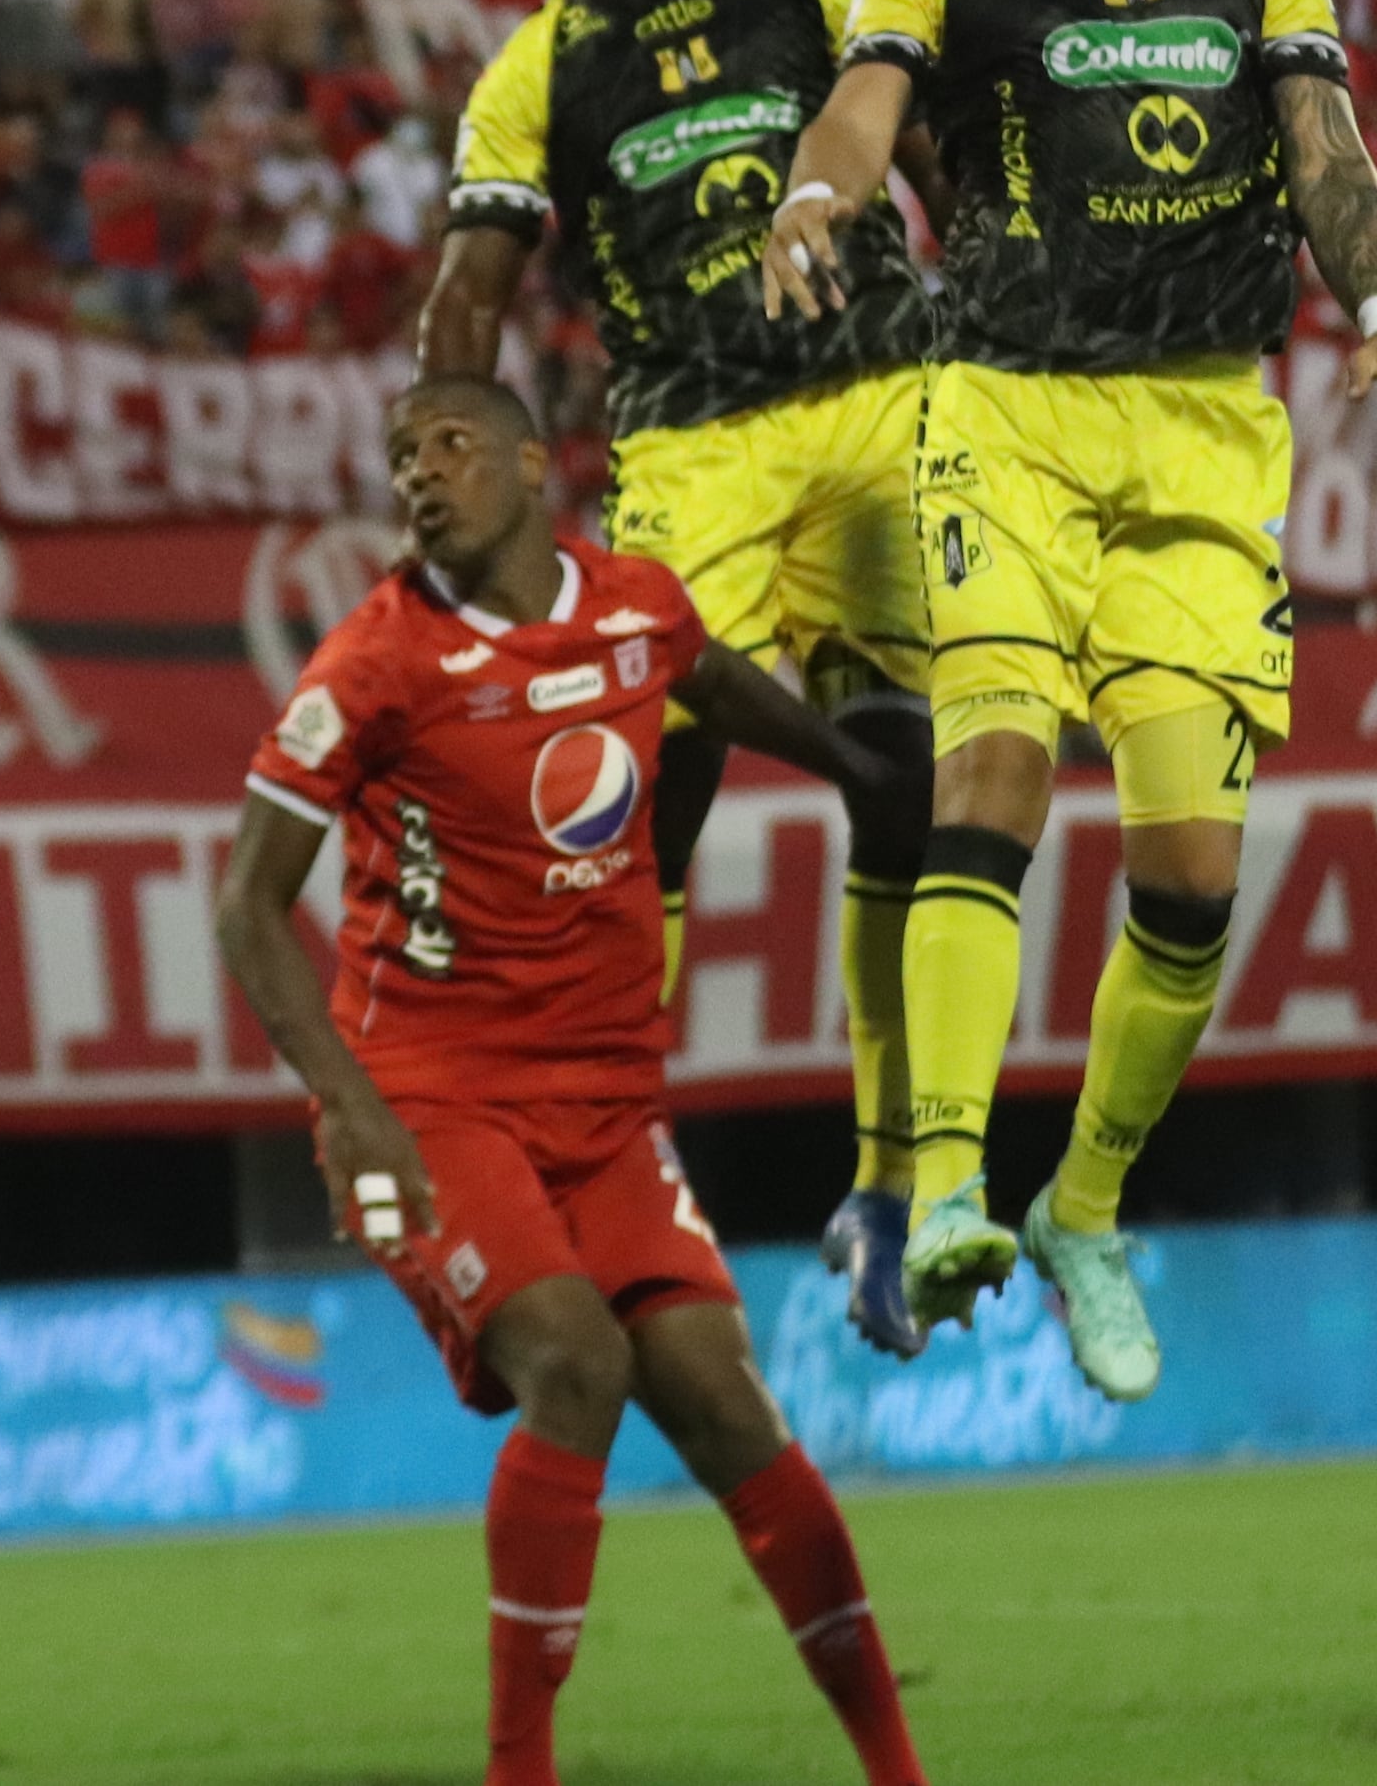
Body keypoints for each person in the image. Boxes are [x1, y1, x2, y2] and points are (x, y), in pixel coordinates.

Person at [759, 0, 1377, 1397]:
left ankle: (1085, 1206)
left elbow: (1321, 140)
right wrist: (812, 189)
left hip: (1207, 425)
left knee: (1191, 875)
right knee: (990, 765)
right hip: (1002, 405)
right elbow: (866, 100)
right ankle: (944, 1185)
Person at [214, 376, 926, 1786]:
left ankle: (900, 1772)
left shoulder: (636, 606)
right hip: (429, 1102)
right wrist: (349, 1102)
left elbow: (707, 675)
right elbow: (248, 906)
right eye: (403, 455)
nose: (421, 473)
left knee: (729, 1405)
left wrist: (848, 762)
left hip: (605, 1105)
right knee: (578, 1361)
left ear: (537, 464)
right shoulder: (373, 662)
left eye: (452, 445)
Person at [419, 0, 942, 1354]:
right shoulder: (534, 68)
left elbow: (938, 159)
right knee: (641, 789)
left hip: (873, 403)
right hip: (689, 448)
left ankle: (886, 1180)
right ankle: (601, 1156)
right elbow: (475, 287)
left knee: (903, 777)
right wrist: (453, 453)